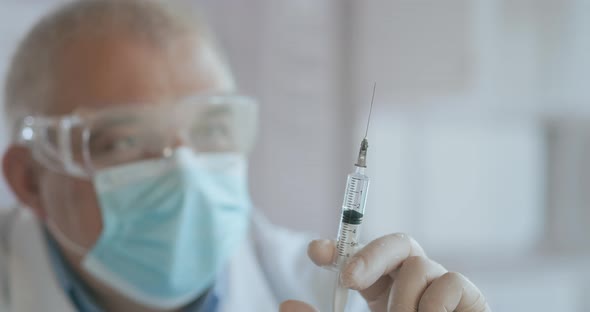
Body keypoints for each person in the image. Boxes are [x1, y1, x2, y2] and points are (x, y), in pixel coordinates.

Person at [0, 1, 490, 311]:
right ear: (29, 180)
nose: (186, 172)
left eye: (213, 129)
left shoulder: (331, 296)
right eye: (125, 141)